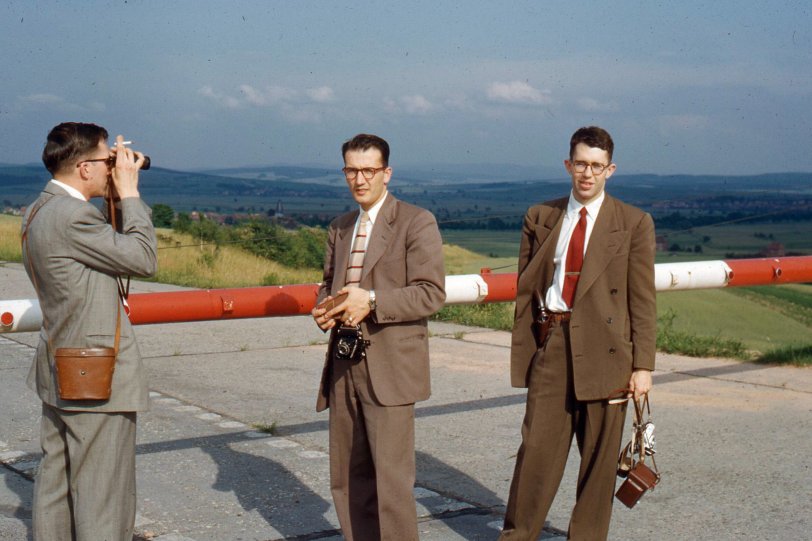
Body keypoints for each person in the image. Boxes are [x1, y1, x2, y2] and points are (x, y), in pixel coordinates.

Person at [499, 126, 656, 540]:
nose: (588, 174)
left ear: (610, 170)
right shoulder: (541, 217)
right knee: (535, 453)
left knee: (599, 464)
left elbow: (642, 300)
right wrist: (533, 348)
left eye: (597, 166)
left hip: (608, 353)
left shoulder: (634, 223)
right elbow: (527, 289)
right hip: (553, 343)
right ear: (568, 165)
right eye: (581, 164)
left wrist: (642, 366)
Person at [21, 122, 157, 540]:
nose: (112, 168)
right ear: (83, 168)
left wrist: (113, 194)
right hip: (95, 376)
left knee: (57, 488)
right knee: (103, 498)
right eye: (106, 160)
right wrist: (130, 193)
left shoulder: (40, 209)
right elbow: (143, 258)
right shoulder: (74, 217)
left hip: (61, 365)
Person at [311, 133, 446, 540]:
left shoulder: (415, 221)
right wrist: (325, 306)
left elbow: (430, 293)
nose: (360, 179)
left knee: (391, 484)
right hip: (343, 364)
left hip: (390, 368)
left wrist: (370, 300)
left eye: (369, 170)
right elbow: (328, 282)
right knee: (347, 479)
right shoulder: (340, 227)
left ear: (387, 173)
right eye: (352, 170)